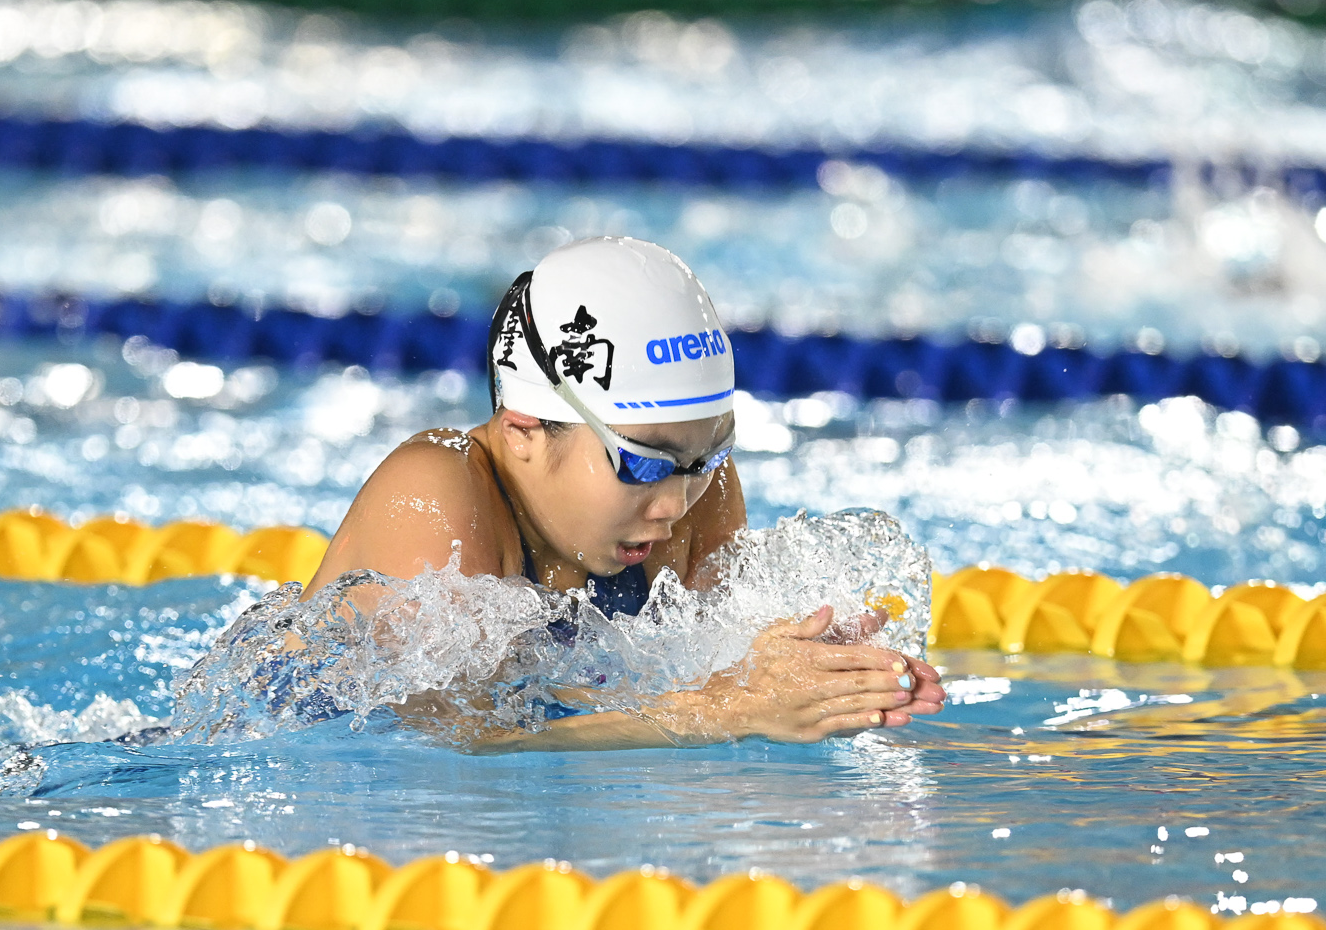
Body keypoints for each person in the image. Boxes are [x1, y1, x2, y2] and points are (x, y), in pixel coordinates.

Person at [306, 236, 946, 750]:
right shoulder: (434, 492)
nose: (674, 503)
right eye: (642, 464)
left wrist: (811, 676)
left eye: (706, 456)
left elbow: (708, 677)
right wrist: (722, 709)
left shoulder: (696, 488)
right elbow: (444, 742)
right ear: (524, 431)